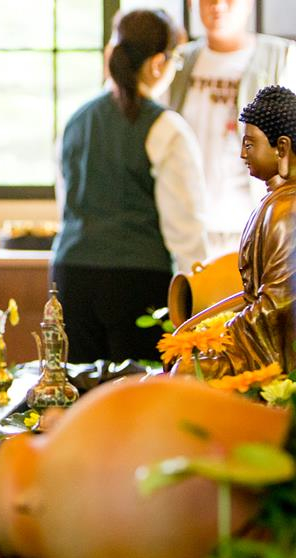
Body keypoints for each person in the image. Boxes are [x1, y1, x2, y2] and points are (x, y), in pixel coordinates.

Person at [52, 9, 208, 363]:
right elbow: (186, 230)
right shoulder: (166, 128)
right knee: (139, 389)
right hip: (137, 281)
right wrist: (199, 304)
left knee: (79, 389)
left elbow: (66, 205)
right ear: (157, 63)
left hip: (70, 276)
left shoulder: (75, 121)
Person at [168, 0, 296, 254]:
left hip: (259, 224)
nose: (218, 5)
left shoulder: (283, 57)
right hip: (189, 231)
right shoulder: (178, 61)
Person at [189, 85, 296, 377]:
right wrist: (203, 328)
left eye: (249, 145)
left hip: (275, 351)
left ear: (282, 148)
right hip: (255, 332)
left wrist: (223, 333)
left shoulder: (287, 211)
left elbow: (277, 304)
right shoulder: (274, 203)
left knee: (187, 370)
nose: (241, 154)